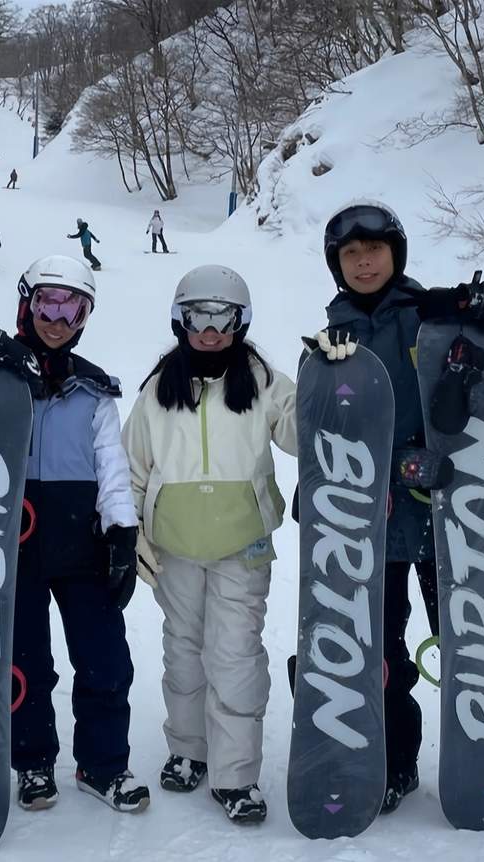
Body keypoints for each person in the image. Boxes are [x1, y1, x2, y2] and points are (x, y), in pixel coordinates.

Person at [305, 198, 484, 818]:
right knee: (378, 648)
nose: (365, 262)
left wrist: (475, 304)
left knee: (475, 636)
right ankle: (392, 765)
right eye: (351, 254)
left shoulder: (430, 313)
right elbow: (327, 431)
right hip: (374, 520)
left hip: (454, 512)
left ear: (396, 253)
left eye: (375, 250)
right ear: (337, 266)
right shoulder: (331, 340)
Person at [0, 255, 151, 815]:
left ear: (84, 316)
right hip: (7, 543)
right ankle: (33, 762)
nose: (58, 318)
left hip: (79, 542)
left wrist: (121, 532)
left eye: (73, 307)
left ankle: (103, 765)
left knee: (106, 660)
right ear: (27, 302)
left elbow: (112, 469)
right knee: (24, 662)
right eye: (48, 302)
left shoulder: (93, 391)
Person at [122, 265, 297, 825]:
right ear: (181, 320)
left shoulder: (263, 380)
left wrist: (331, 381)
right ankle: (188, 749)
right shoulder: (157, 388)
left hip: (240, 542)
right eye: (198, 316)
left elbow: (303, 430)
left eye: (224, 317)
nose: (211, 330)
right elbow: (132, 468)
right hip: (174, 546)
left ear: (240, 321)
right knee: (183, 651)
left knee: (235, 656)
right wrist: (134, 534)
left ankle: (236, 774)